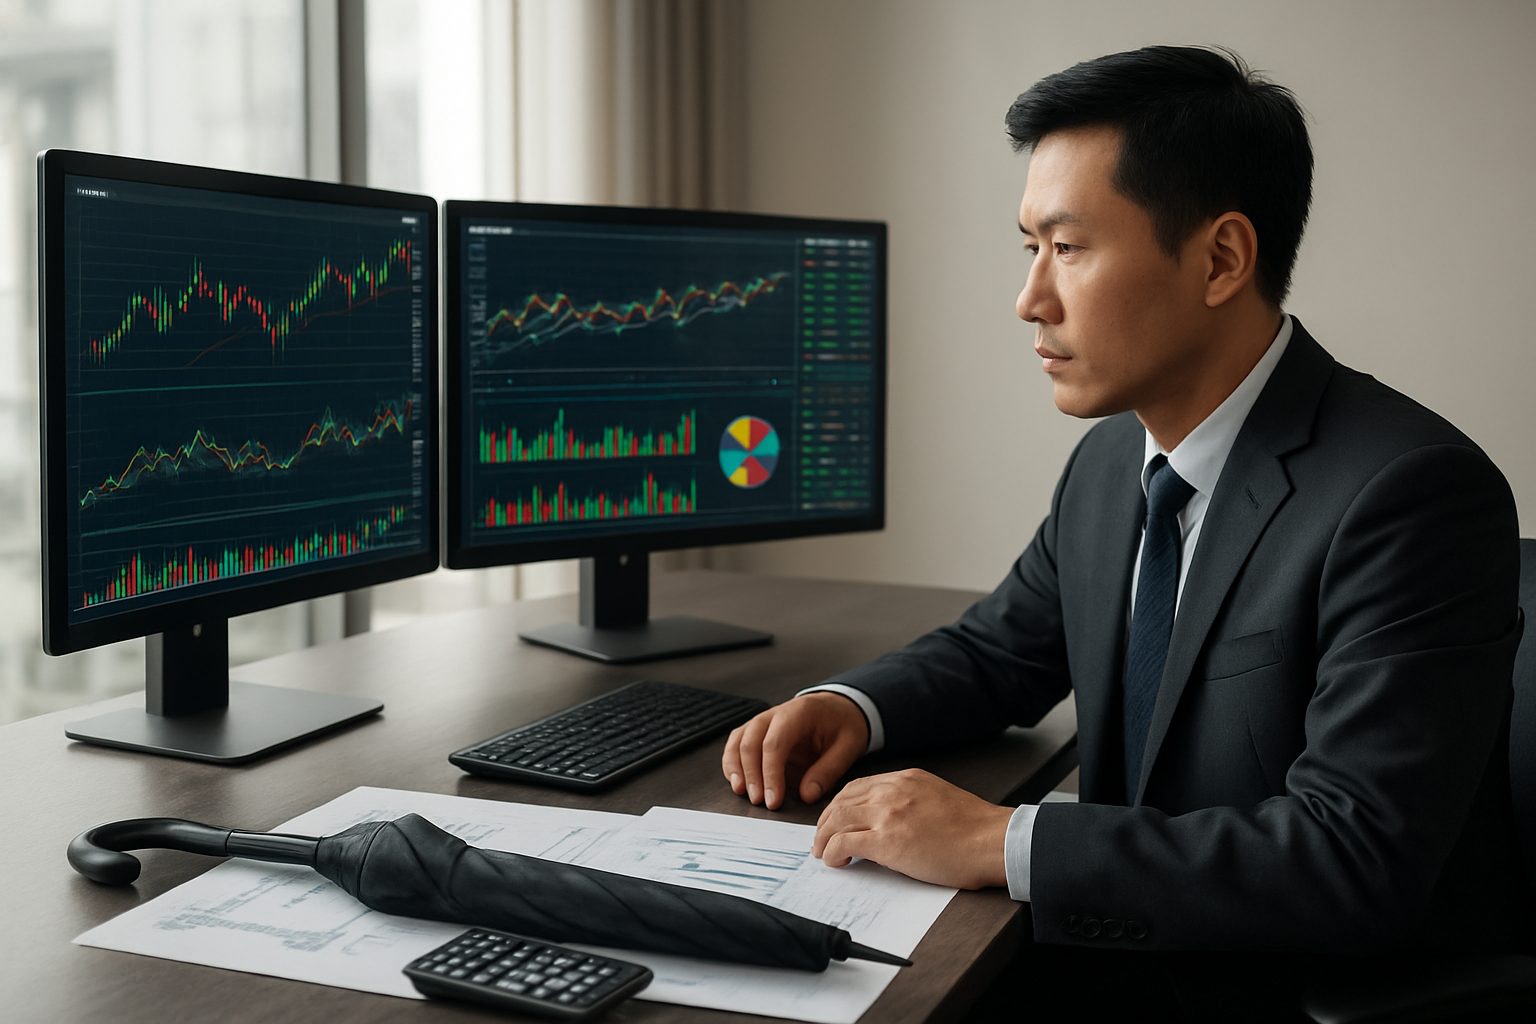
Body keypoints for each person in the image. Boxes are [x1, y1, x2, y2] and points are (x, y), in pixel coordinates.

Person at [720, 45, 1525, 1018]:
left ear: (1222, 258)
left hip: (1279, 992)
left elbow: (1350, 857)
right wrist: (852, 707)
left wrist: (1000, 839)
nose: (1030, 300)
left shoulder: (1410, 494)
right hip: (1107, 961)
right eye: (1030, 248)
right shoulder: (1113, 461)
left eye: (1068, 248)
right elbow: (998, 651)